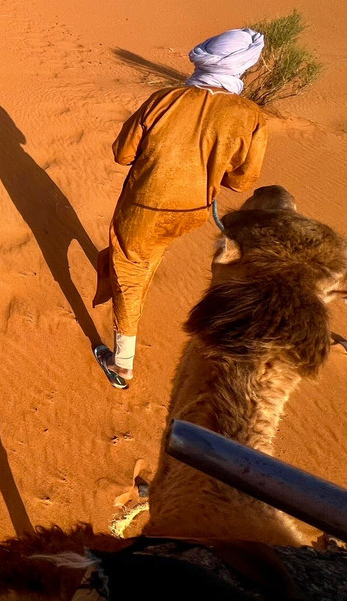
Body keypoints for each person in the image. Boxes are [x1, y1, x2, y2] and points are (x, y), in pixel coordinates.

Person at [93, 28, 269, 389]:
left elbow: (122, 153)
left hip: (145, 207)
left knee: (130, 271)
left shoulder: (165, 99)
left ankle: (122, 364)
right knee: (147, 255)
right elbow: (240, 181)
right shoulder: (250, 116)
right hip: (192, 212)